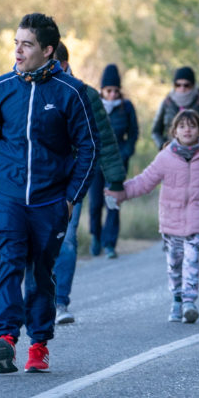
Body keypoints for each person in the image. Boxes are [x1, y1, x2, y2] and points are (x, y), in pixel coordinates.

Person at [0, 13, 99, 374]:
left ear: (47, 50)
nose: (18, 51)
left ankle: (38, 344)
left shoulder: (71, 93)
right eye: (16, 43)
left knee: (41, 273)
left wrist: (71, 197)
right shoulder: (0, 89)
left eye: (26, 44)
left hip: (50, 201)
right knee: (8, 265)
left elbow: (88, 148)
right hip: (8, 198)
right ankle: (4, 338)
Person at [23, 43, 126, 325]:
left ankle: (59, 302)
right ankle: (34, 300)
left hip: (71, 181)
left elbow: (104, 139)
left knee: (65, 239)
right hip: (35, 180)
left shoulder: (86, 95)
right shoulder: (25, 90)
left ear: (64, 64)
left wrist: (115, 179)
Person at [107, 109, 199, 323]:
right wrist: (120, 193)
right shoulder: (166, 157)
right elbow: (144, 181)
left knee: (192, 260)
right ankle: (177, 299)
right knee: (175, 265)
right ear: (174, 131)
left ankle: (189, 302)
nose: (187, 130)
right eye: (182, 126)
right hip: (171, 221)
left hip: (197, 219)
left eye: (192, 125)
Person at [87, 63, 137, 259]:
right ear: (102, 90)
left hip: (117, 161)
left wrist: (125, 153)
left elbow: (133, 133)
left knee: (113, 202)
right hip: (95, 161)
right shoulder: (92, 104)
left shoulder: (126, 107)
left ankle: (110, 243)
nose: (113, 94)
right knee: (95, 203)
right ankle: (95, 237)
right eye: (109, 90)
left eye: (116, 91)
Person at [151, 66, 199, 149]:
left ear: (193, 85)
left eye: (186, 85)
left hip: (197, 152)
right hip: (171, 152)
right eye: (178, 85)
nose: (182, 88)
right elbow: (156, 131)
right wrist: (163, 147)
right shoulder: (167, 103)